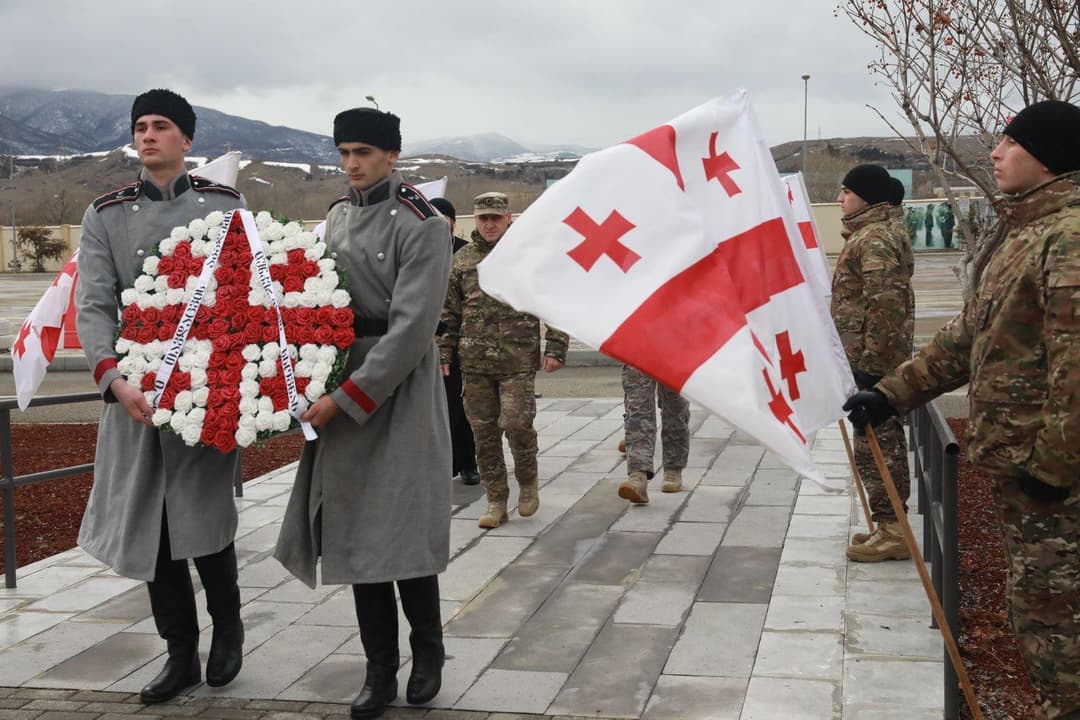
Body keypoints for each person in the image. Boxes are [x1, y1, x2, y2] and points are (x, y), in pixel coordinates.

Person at [843, 100, 1080, 720]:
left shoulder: (1070, 236)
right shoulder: (1026, 233)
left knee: (1062, 632)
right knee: (1038, 616)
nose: (995, 153)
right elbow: (967, 338)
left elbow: (1077, 369)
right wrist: (890, 393)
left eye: (1008, 142)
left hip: (1058, 484)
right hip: (1030, 476)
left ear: (1048, 154)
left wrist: (1054, 467)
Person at [273, 107, 453, 719]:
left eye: (364, 153)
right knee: (353, 532)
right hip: (340, 379)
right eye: (344, 152)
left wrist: (345, 399)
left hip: (394, 391)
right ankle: (380, 669)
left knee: (400, 528)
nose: (352, 164)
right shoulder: (336, 215)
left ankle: (427, 652)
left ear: (392, 155)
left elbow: (411, 330)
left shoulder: (422, 223)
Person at [75, 89, 246, 704]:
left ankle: (229, 628)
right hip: (135, 399)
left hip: (202, 396)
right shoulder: (107, 213)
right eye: (140, 127)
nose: (148, 136)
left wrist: (221, 373)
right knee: (153, 529)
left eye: (161, 127)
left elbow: (239, 295)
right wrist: (111, 377)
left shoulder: (225, 205)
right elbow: (93, 302)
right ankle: (180, 655)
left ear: (186, 140)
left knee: (202, 519)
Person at [439, 191, 568, 529]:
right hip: (474, 363)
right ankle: (496, 499)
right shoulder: (463, 260)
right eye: (484, 218)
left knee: (516, 423)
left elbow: (551, 300)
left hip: (517, 360)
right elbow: (449, 311)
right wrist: (443, 351)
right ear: (476, 220)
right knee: (483, 435)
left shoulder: (527, 256)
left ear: (509, 218)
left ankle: (527, 482)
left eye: (496, 217)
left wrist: (556, 346)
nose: (490, 224)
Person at [830, 163, 914, 562]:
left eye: (847, 191)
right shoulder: (868, 234)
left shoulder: (875, 238)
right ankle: (887, 523)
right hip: (866, 360)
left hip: (874, 366)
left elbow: (886, 306)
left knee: (881, 443)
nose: (840, 198)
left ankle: (894, 529)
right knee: (873, 445)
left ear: (866, 196)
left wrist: (872, 367)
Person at [429, 197, 479, 485]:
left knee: (459, 406)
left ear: (453, 222)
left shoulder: (465, 253)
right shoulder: (419, 252)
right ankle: (441, 464)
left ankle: (467, 463)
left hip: (456, 340)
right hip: (424, 340)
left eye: (443, 218)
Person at [617, 365, 690, 503]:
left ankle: (673, 467)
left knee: (675, 405)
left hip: (676, 349)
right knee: (637, 409)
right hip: (638, 347)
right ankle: (638, 476)